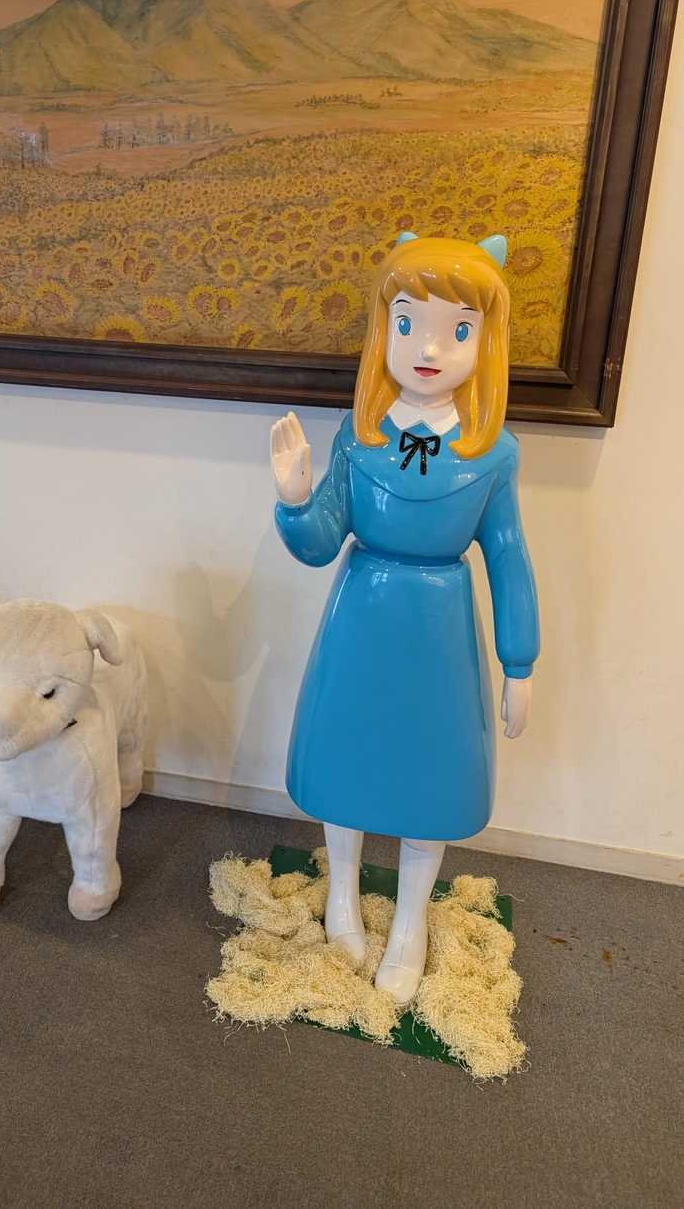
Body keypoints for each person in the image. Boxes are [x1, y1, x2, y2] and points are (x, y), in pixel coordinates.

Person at [270, 232, 539, 1005]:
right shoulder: (360, 439)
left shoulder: (493, 455)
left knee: (431, 767)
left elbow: (509, 556)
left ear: (485, 341)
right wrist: (296, 499)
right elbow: (322, 541)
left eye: (458, 329)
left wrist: (519, 661)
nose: (428, 348)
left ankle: (412, 918)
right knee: (347, 753)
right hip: (361, 617)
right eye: (409, 323)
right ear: (382, 329)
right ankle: (342, 891)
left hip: (441, 632)